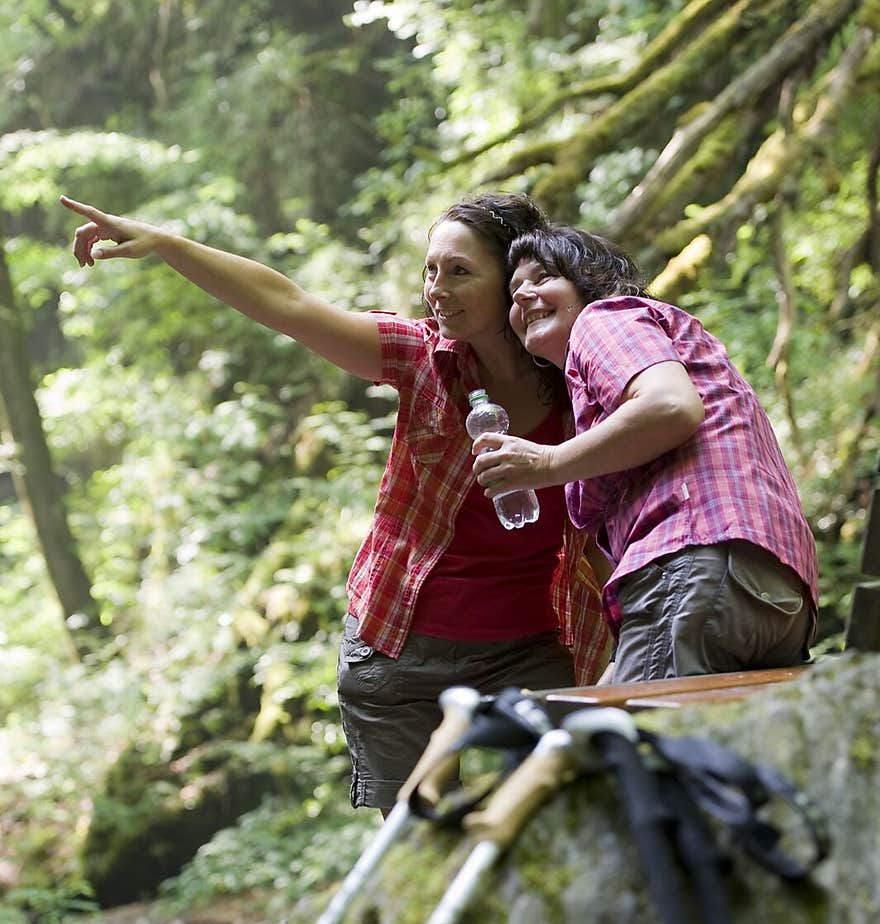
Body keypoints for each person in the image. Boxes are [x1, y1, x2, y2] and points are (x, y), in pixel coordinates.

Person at [60, 193, 609, 812]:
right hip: (397, 650)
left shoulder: (582, 377)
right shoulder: (418, 357)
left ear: (513, 278)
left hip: (531, 648)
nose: (437, 288)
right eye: (430, 270)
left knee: (556, 816)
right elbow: (288, 305)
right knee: (417, 844)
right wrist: (165, 242)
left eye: (459, 271)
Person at [469, 224, 819, 684]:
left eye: (543, 277)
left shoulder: (604, 319)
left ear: (588, 278)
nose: (524, 296)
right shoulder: (653, 348)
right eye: (514, 291)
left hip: (700, 563)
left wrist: (546, 463)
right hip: (773, 591)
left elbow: (669, 407)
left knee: (642, 746)